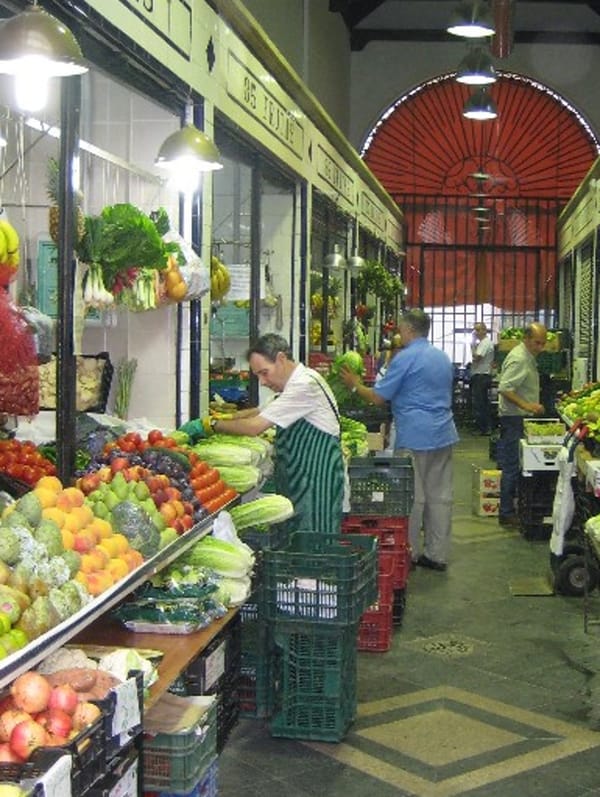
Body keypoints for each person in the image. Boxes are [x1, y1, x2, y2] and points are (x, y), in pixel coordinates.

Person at [340, 308, 459, 572]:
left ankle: (411, 552)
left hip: (415, 435)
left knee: (412, 496)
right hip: (443, 432)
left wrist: (354, 384)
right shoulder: (441, 357)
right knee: (440, 496)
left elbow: (378, 397)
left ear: (408, 330)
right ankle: (437, 555)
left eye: (401, 330)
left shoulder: (405, 359)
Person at [195, 333, 345, 536]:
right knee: (299, 542)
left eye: (264, 373)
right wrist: (227, 416)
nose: (262, 382)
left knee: (313, 543)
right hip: (302, 479)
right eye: (258, 375)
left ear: (281, 359)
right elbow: (260, 411)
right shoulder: (296, 384)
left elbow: (254, 427)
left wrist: (211, 425)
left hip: (316, 482)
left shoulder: (304, 386)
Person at [497, 322, 547, 527]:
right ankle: (506, 512)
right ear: (526, 339)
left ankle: (513, 507)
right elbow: (505, 388)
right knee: (511, 465)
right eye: (537, 343)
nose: (541, 347)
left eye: (543, 343)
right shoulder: (519, 359)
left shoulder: (527, 356)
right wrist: (527, 406)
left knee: (516, 464)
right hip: (514, 419)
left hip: (519, 418)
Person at [470, 322, 494, 435]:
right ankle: (484, 427)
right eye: (475, 330)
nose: (476, 332)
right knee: (481, 403)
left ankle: (483, 428)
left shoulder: (485, 343)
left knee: (481, 404)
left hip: (482, 376)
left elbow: (477, 357)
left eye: (479, 330)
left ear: (485, 330)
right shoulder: (483, 343)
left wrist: (472, 346)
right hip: (480, 375)